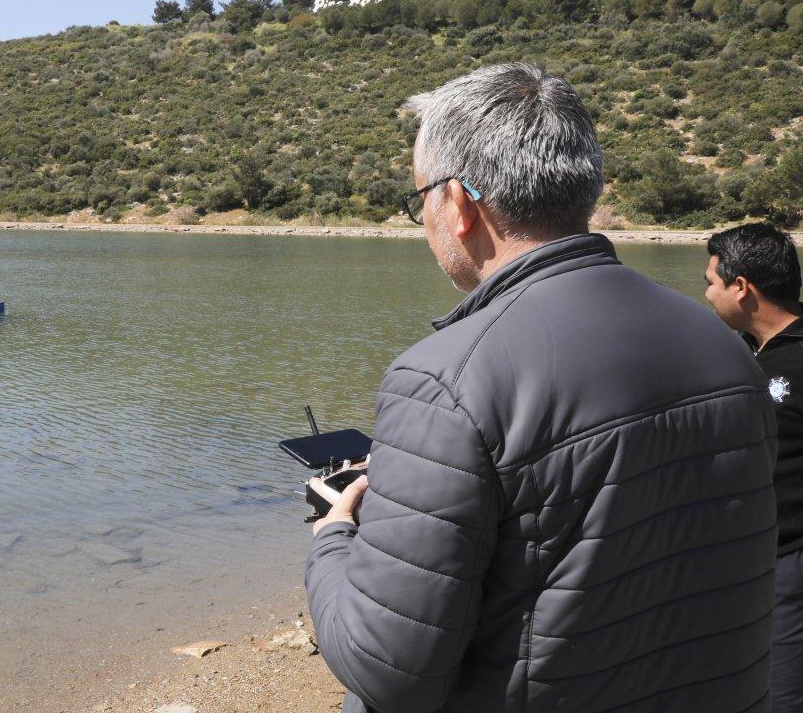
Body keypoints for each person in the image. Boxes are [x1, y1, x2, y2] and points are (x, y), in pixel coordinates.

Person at [305, 63, 777, 713]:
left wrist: (333, 539)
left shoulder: (444, 380)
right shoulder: (725, 348)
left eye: (418, 199)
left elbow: (388, 670)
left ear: (460, 203)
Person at [705, 223, 803, 712]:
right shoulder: (744, 353)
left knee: (783, 691)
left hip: (792, 560)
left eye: (711, 282)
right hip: (753, 557)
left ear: (741, 287)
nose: (706, 293)